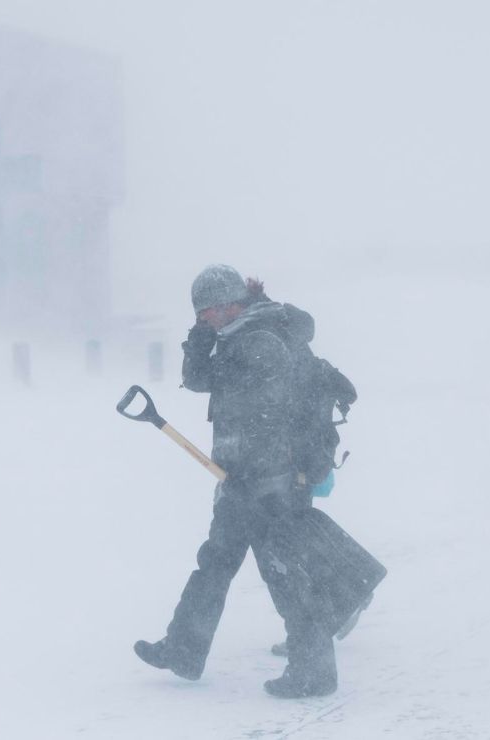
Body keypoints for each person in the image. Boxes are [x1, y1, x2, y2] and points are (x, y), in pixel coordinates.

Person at [134, 264, 338, 698]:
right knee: (216, 563)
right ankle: (184, 649)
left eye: (205, 312)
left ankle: (315, 670)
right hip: (244, 477)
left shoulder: (261, 340)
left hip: (270, 481)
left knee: (284, 572)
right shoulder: (235, 336)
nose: (202, 319)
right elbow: (200, 379)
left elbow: (267, 417)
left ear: (228, 306)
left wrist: (255, 477)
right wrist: (201, 334)